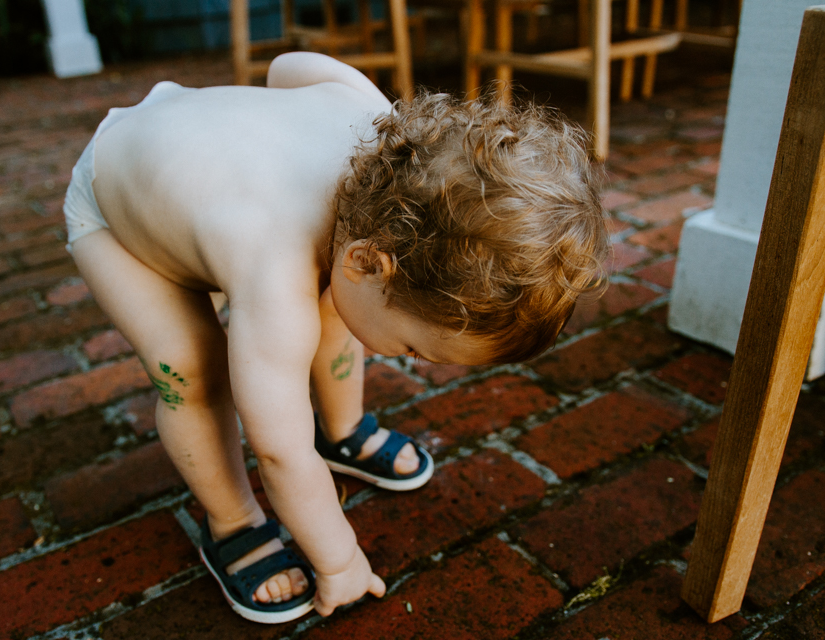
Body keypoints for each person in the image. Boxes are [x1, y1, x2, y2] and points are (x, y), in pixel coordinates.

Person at [62, 51, 607, 624]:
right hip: (115, 204)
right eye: (415, 349)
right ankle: (231, 522)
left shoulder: (378, 125)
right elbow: (278, 450)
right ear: (367, 261)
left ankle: (342, 432)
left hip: (191, 150)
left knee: (339, 306)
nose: (415, 364)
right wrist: (339, 558)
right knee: (191, 365)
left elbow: (289, 68)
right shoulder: (275, 269)